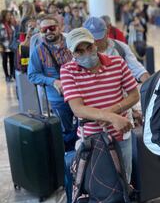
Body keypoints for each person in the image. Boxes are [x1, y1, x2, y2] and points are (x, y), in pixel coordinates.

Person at [60, 28, 139, 182]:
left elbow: (134, 95)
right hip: (92, 139)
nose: (86, 54)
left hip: (121, 133)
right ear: (71, 53)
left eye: (89, 47)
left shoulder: (117, 62)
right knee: (99, 184)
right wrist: (110, 117)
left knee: (124, 178)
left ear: (95, 44)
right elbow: (78, 109)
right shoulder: (68, 71)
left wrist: (111, 114)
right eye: (79, 51)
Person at [28, 16, 77, 151]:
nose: (48, 31)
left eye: (52, 28)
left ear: (59, 28)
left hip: (80, 94)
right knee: (67, 131)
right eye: (44, 29)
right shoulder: (38, 51)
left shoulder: (72, 44)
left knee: (85, 126)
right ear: (40, 31)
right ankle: (70, 160)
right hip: (58, 99)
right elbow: (32, 75)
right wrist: (53, 81)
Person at [84, 17, 149, 83]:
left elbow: (138, 70)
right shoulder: (81, 54)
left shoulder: (121, 47)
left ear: (107, 32)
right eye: (91, 38)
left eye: (98, 37)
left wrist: (150, 85)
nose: (95, 41)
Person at [0, 10, 16, 82]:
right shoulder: (1, 25)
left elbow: (13, 34)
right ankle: (7, 76)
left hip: (11, 46)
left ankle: (12, 74)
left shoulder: (10, 24)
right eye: (8, 15)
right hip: (3, 46)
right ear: (4, 16)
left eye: (10, 15)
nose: (9, 16)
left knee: (12, 60)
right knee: (5, 60)